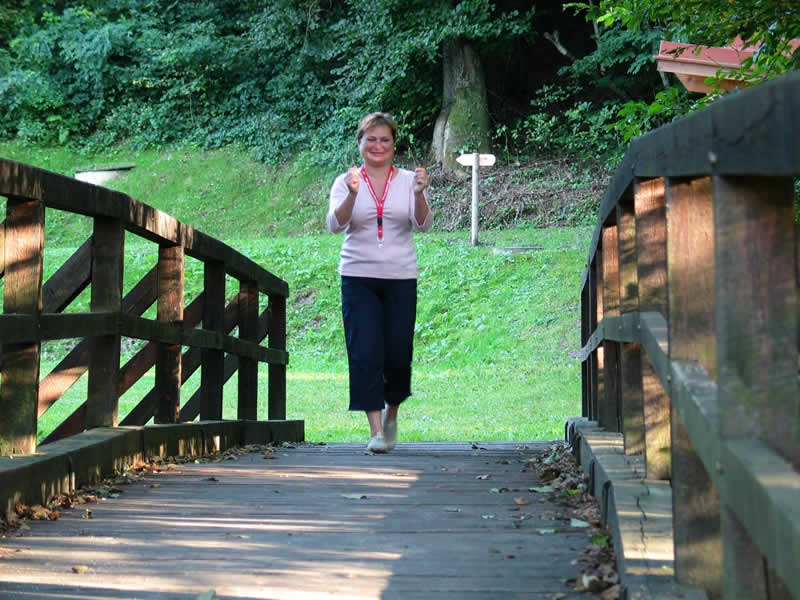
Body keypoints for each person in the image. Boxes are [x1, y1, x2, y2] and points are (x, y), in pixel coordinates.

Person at [326, 112, 433, 453]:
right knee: (365, 351)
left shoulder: (408, 180)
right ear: (360, 143)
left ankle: (392, 415)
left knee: (398, 353)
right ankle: (375, 430)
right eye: (370, 139)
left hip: (401, 277)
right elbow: (334, 224)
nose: (377, 146)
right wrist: (353, 195)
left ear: (393, 145)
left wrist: (419, 193)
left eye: (384, 139)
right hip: (358, 276)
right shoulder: (346, 181)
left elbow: (424, 223)